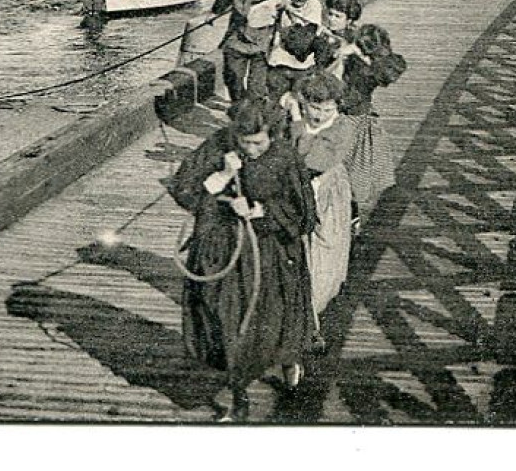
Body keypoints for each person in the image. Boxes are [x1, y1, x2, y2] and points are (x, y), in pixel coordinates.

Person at [169, 97, 317, 422]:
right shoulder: (218, 146)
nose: (250, 149)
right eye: (244, 142)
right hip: (223, 248)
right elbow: (184, 188)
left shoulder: (285, 158)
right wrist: (222, 176)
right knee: (227, 318)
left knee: (272, 316)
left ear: (272, 135)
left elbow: (303, 213)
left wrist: (261, 211)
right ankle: (238, 393)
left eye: (258, 143)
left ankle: (287, 357)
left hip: (268, 253)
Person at [285, 72, 355, 322]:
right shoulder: (297, 121)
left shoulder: (342, 127)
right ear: (304, 101)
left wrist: (296, 122)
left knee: (325, 244)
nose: (319, 115)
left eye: (327, 109)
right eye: (314, 107)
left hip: (326, 192)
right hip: (295, 189)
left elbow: (314, 160)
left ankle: (314, 306)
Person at [342, 24, 409, 216]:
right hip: (355, 119)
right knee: (352, 172)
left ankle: (350, 214)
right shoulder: (368, 65)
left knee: (351, 171)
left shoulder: (369, 71)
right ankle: (350, 213)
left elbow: (350, 95)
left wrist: (349, 55)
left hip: (353, 121)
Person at [215, 0, 280, 104]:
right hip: (238, 41)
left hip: (261, 43)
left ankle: (252, 111)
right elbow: (243, 12)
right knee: (234, 81)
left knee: (257, 87)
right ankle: (239, 106)